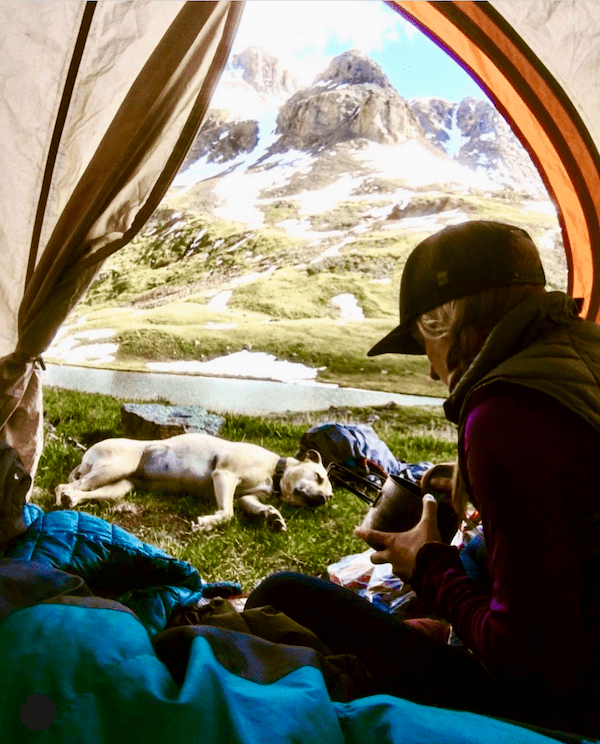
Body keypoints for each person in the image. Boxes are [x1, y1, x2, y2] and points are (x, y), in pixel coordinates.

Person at [246, 221, 600, 737]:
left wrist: (429, 567)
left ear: (446, 321)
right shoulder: (580, 359)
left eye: (422, 341)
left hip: (566, 706)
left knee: (284, 595)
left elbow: (532, 667)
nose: (433, 373)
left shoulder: (505, 414)